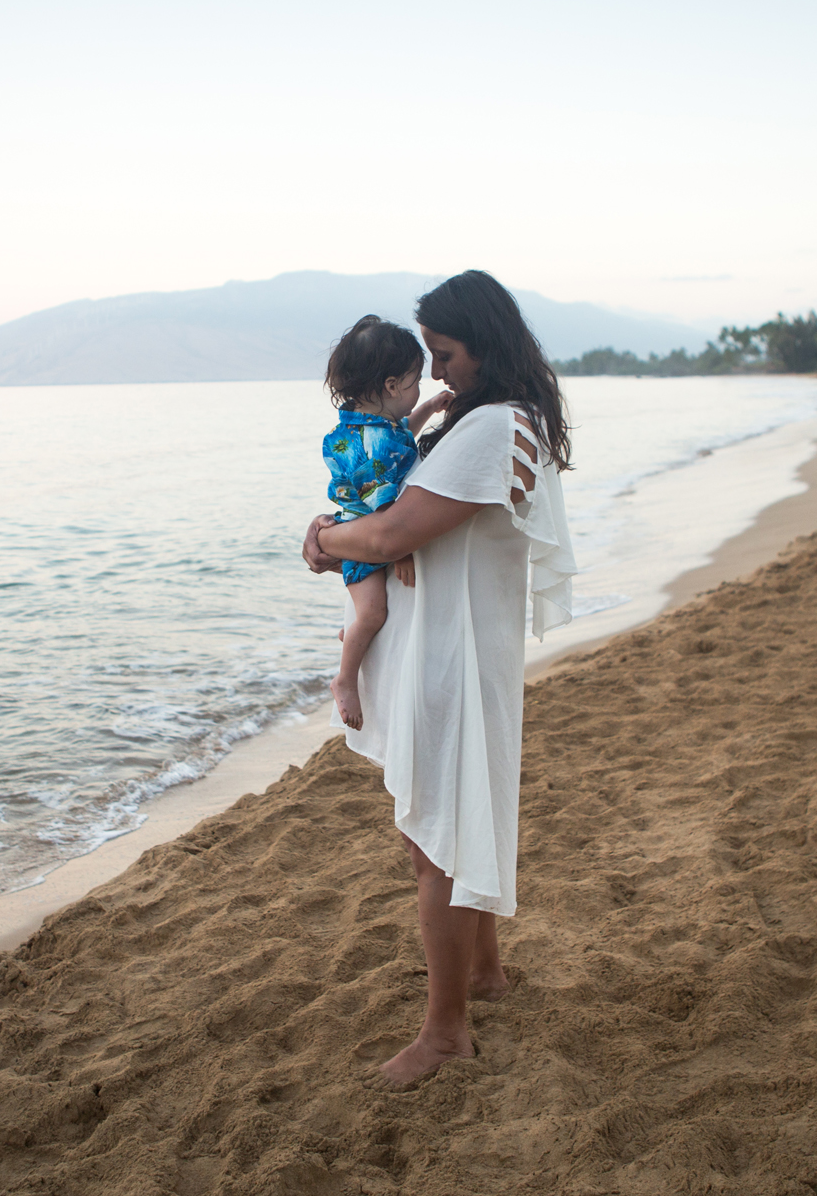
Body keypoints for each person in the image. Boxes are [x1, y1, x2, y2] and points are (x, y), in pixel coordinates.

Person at [303, 271, 577, 1086]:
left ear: (484, 344)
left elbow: (391, 532)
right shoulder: (494, 420)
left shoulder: (495, 427)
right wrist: (341, 532)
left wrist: (326, 539)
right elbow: (388, 521)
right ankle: (484, 971)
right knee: (456, 819)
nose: (436, 370)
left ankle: (445, 1031)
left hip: (451, 657)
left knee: (436, 845)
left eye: (445, 353)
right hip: (454, 650)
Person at [320, 316, 450, 731]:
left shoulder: (373, 428)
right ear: (392, 386)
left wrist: (427, 410)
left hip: (358, 534)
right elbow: (384, 508)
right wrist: (404, 551)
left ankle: (353, 639)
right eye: (415, 385)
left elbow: (398, 446)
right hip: (364, 543)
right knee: (374, 614)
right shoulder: (372, 442)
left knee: (368, 617)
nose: (419, 390)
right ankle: (344, 678)